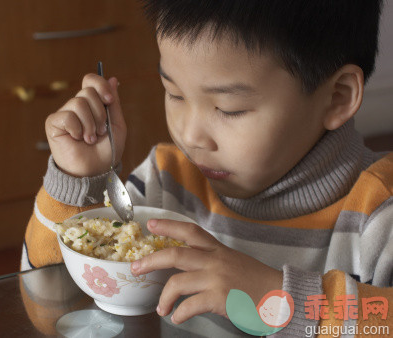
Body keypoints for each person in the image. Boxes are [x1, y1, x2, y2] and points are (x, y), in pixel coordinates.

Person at [21, 1, 392, 336]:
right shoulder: (166, 181)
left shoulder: (379, 212)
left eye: (230, 109)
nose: (190, 135)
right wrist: (75, 183)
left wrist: (278, 300)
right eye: (175, 94)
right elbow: (52, 300)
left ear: (337, 97)